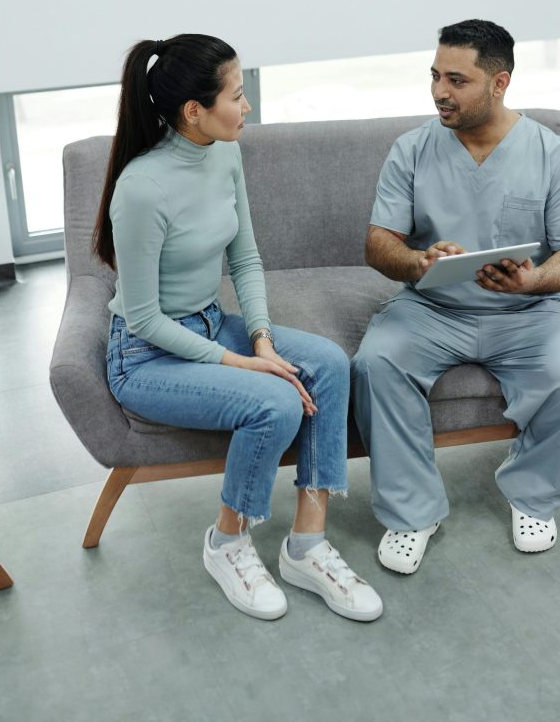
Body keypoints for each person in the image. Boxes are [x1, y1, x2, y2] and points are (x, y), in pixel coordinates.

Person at [93, 33, 382, 621]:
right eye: (236, 94)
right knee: (273, 405)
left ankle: (306, 545)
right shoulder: (141, 189)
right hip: (147, 355)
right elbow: (144, 317)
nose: (246, 106)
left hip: (209, 323)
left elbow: (245, 258)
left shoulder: (225, 152)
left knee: (327, 362)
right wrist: (246, 366)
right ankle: (226, 542)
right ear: (194, 110)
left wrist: (261, 339)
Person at [351, 19, 560, 575]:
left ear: (499, 82)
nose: (440, 91)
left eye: (457, 80)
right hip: (430, 309)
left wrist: (533, 281)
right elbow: (377, 243)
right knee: (375, 364)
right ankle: (412, 512)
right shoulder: (412, 149)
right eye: (435, 76)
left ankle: (531, 494)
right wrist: (417, 261)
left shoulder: (553, 154)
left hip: (530, 313)